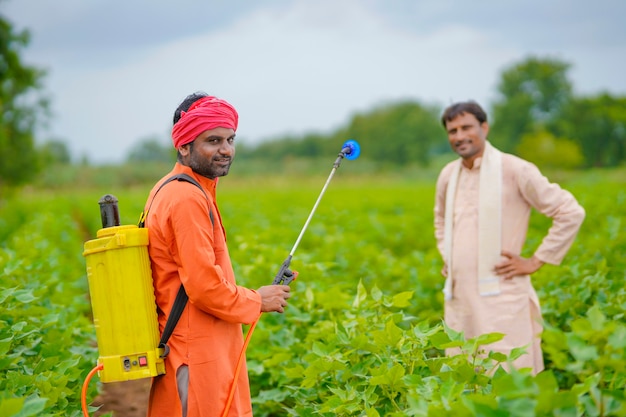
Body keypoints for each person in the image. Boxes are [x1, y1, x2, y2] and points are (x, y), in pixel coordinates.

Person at [143, 91, 292, 417]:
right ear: (183, 145)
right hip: (196, 357)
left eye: (230, 139)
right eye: (213, 140)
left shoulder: (178, 188)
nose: (225, 150)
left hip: (198, 350)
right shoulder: (186, 198)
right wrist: (258, 300)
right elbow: (203, 286)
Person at [433, 101, 585, 375]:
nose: (459, 136)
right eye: (452, 130)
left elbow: (570, 211)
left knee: (511, 376)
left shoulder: (515, 169)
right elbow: (440, 218)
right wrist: (449, 254)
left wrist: (536, 261)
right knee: (464, 377)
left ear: (484, 127)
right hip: (459, 298)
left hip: (501, 296)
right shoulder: (448, 175)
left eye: (466, 127)